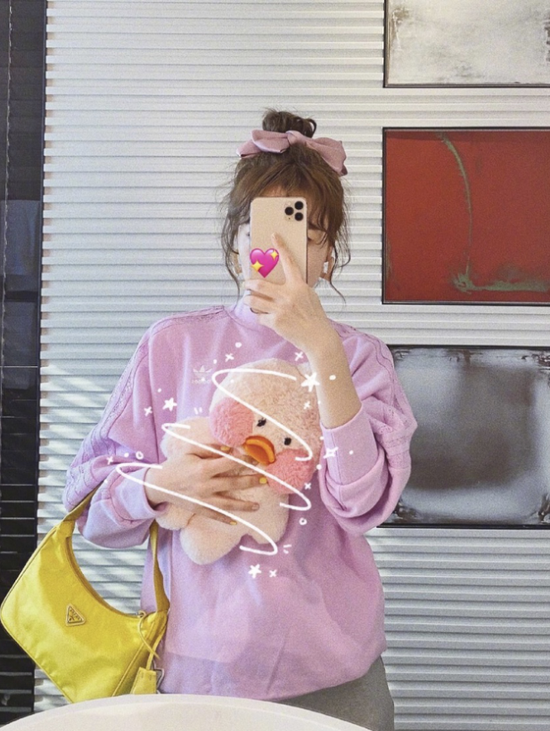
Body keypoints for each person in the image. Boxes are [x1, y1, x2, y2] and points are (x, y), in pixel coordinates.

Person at [64, 109, 417, 731]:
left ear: (329, 255)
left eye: (307, 234)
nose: (283, 253)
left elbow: (362, 504)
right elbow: (88, 505)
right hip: (194, 674)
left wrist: (322, 347)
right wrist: (160, 485)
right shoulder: (173, 345)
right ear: (236, 241)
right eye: (265, 229)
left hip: (333, 674)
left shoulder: (361, 357)